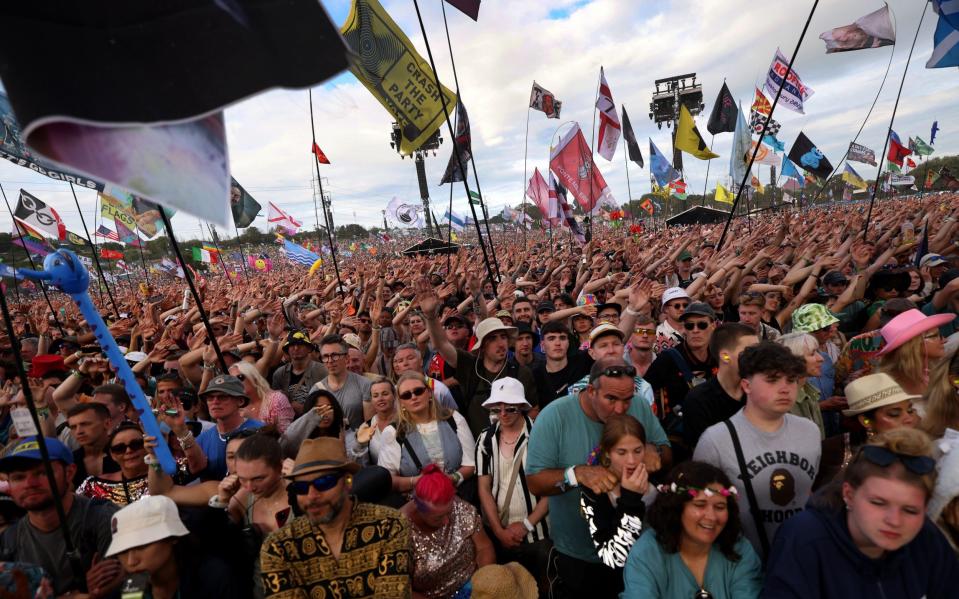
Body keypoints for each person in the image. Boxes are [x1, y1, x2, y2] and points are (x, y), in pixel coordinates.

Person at [526, 358, 669, 597]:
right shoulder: (554, 416)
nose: (621, 409)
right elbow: (535, 482)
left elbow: (667, 452)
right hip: (577, 556)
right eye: (611, 399)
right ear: (591, 390)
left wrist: (657, 453)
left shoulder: (641, 407)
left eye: (627, 399)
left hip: (640, 553)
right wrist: (576, 473)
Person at [763, 428, 959, 598]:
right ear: (849, 494)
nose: (894, 520)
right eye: (878, 503)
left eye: (910, 510)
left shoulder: (927, 539)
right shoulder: (804, 539)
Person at [693, 341, 821, 558]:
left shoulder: (810, 431)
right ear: (746, 386)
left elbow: (808, 492)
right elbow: (698, 512)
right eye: (772, 380)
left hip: (801, 558)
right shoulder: (716, 440)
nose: (784, 388)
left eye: (791, 380)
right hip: (743, 566)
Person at [260, 437, 412, 598]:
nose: (312, 496)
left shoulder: (389, 526)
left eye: (324, 482)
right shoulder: (278, 547)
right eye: (301, 487)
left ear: (348, 481)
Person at [0, 436, 121, 597]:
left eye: (42, 473)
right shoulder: (9, 540)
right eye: (19, 477)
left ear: (69, 472)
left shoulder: (104, 518)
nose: (30, 483)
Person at [622, 461, 762, 598]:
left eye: (720, 507)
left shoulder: (740, 549)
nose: (712, 517)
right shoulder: (648, 552)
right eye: (700, 505)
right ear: (676, 507)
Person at [418, 277, 536, 436]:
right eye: (493, 339)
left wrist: (519, 436)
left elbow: (533, 409)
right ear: (482, 346)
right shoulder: (470, 367)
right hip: (478, 449)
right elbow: (441, 344)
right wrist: (431, 316)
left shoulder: (520, 372)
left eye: (503, 337)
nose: (500, 343)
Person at [475, 378, 550, 591]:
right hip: (501, 532)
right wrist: (499, 531)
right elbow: (484, 488)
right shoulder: (485, 438)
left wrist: (527, 524)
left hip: (539, 535)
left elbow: (552, 488)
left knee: (542, 589)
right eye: (496, 409)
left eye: (509, 408)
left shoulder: (541, 434)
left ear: (522, 408)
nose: (503, 414)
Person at [106, 495, 238, 597]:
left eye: (141, 546)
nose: (131, 561)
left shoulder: (214, 579)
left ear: (173, 537)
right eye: (122, 551)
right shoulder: (130, 589)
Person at [401, 464, 495, 598]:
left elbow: (484, 547)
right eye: (438, 518)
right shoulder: (399, 532)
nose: (446, 521)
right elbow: (402, 588)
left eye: (449, 512)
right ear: (419, 510)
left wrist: (484, 582)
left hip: (476, 585)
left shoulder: (460, 507)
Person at [378, 373, 475, 494]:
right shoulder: (393, 432)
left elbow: (470, 464)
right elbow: (387, 479)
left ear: (429, 393)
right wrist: (416, 481)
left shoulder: (454, 418)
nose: (413, 397)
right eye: (406, 395)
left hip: (458, 495)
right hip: (418, 504)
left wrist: (453, 478)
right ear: (401, 402)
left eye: (418, 391)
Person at [580, 414, 648, 582]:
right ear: (607, 452)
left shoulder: (656, 482)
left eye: (638, 451)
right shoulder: (593, 491)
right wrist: (630, 499)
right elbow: (614, 558)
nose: (631, 461)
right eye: (622, 452)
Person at [645, 301, 718, 453]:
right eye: (690, 326)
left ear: (713, 325)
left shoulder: (721, 357)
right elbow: (644, 392)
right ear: (684, 329)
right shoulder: (668, 359)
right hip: (678, 439)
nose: (695, 330)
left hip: (717, 434)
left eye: (702, 325)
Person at [682, 323, 758, 450]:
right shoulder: (699, 400)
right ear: (725, 356)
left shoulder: (758, 393)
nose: (758, 357)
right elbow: (703, 452)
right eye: (750, 351)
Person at [197, 374, 264, 479]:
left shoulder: (260, 432)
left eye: (222, 397)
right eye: (210, 398)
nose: (215, 402)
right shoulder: (202, 439)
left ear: (240, 401)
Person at [877, 308, 954, 396]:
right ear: (914, 345)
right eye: (935, 335)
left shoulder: (930, 372)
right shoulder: (893, 384)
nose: (944, 340)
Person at [77, 421, 152, 506]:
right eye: (120, 448)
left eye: (136, 444)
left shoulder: (165, 477)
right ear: (112, 455)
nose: (129, 451)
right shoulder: (94, 485)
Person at [313, 334, 373, 430]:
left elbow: (369, 427)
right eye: (325, 356)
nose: (330, 361)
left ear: (346, 358)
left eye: (334, 355)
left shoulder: (365, 384)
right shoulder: (316, 390)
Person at [533, 320, 593, 408]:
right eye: (551, 338)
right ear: (542, 345)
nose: (558, 343)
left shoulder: (584, 360)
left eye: (562, 338)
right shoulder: (535, 376)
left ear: (568, 343)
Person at [778, 332, 826, 439]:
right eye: (812, 353)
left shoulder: (809, 391)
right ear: (794, 360)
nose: (821, 359)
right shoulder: (783, 401)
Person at [270, 329, 327, 416]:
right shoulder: (279, 374)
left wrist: (305, 409)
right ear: (287, 350)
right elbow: (274, 404)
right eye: (292, 345)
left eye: (300, 345)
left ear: (309, 348)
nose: (296, 348)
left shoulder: (322, 371)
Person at [231, 360, 295, 434]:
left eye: (240, 377)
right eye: (232, 381)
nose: (236, 383)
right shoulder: (233, 406)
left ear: (254, 378)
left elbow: (285, 436)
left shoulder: (276, 399)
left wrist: (251, 420)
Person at [65, 402, 119, 486]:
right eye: (73, 427)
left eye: (85, 424)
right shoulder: (69, 461)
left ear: (107, 423)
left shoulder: (126, 451)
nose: (79, 431)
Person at [351, 377, 399, 466]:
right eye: (375, 396)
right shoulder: (367, 426)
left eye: (385, 394)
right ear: (372, 400)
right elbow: (358, 464)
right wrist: (359, 444)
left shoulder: (406, 422)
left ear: (394, 396)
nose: (380, 398)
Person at [655, 287, 689, 353]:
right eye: (677, 306)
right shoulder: (658, 334)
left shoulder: (695, 328)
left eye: (685, 305)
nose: (682, 309)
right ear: (666, 309)